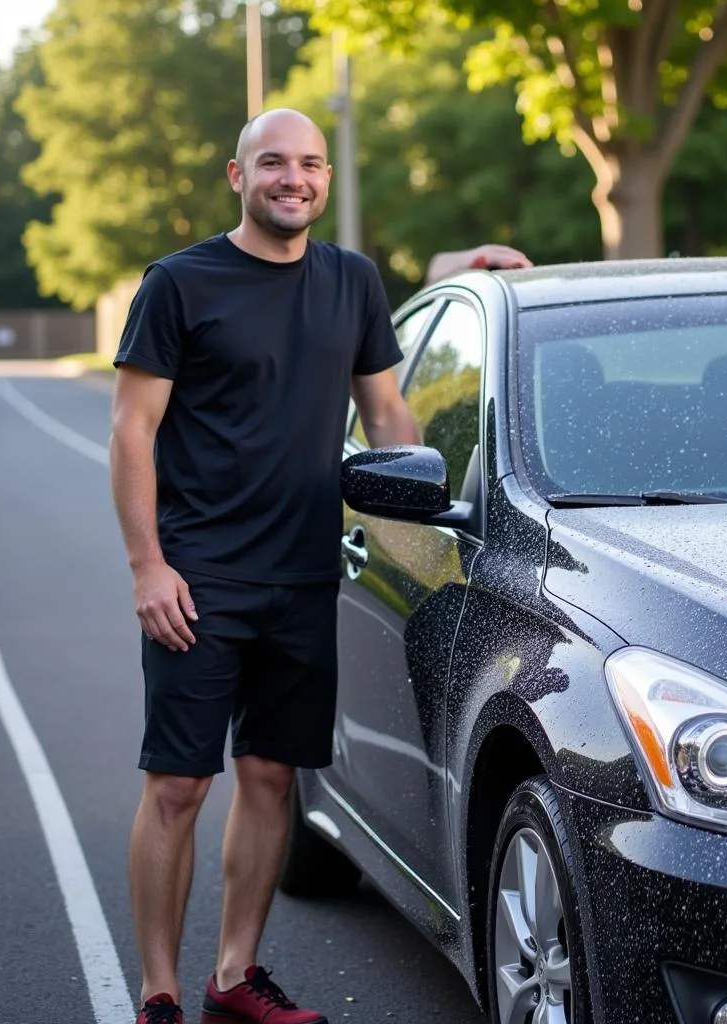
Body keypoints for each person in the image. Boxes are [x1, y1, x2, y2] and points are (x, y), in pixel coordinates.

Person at [109, 106, 531, 1024]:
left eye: (307, 165)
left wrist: (419, 513)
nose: (290, 178)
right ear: (237, 176)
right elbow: (131, 431)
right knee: (179, 784)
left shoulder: (352, 282)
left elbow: (387, 416)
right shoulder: (179, 285)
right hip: (199, 580)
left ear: (326, 180)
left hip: (306, 576)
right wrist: (148, 566)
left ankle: (233, 976)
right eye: (271, 164)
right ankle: (158, 994)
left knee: (269, 779)